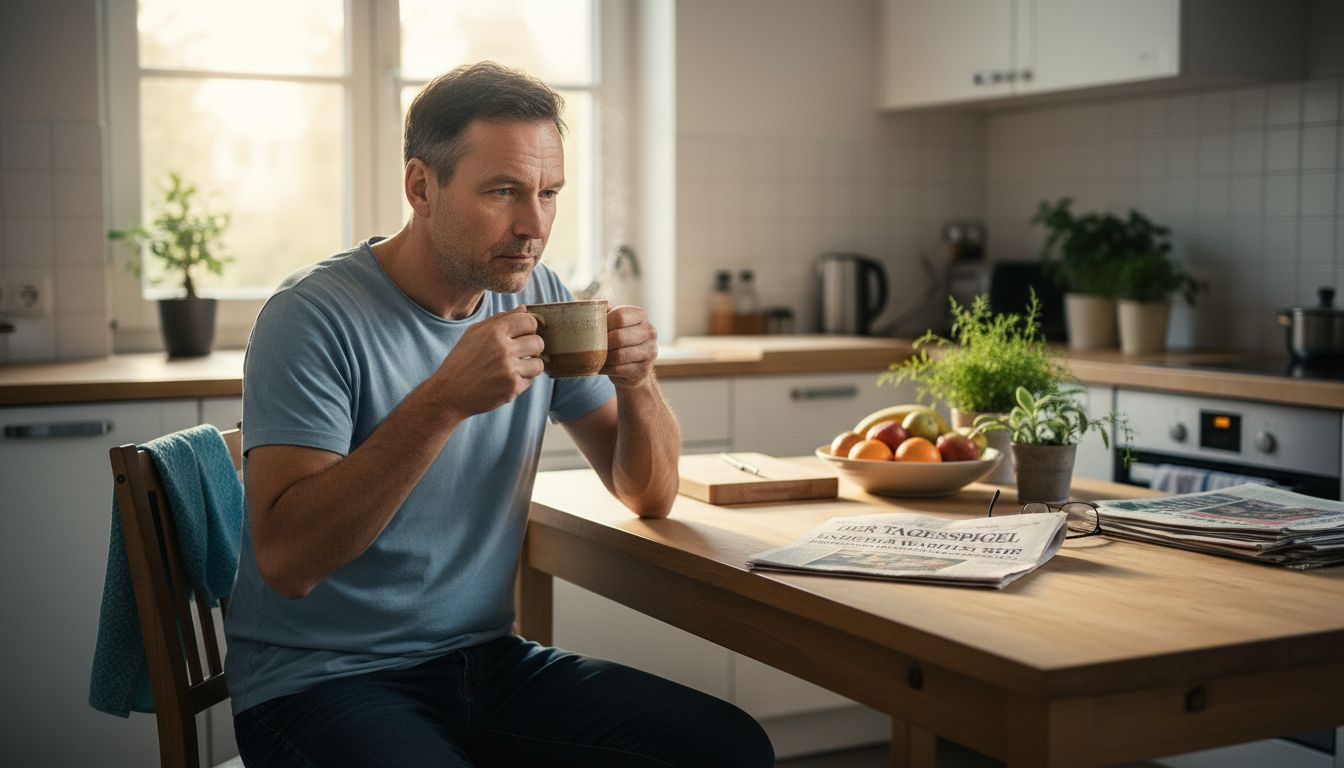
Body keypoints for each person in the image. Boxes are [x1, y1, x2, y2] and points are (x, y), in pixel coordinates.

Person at [223, 61, 773, 767]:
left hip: (486, 663)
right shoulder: (310, 317)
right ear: (421, 187)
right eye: (503, 191)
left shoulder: (539, 296)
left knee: (731, 749)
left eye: (549, 193)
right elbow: (289, 563)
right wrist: (443, 401)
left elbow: (648, 494)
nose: (533, 225)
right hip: (320, 681)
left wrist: (638, 381)